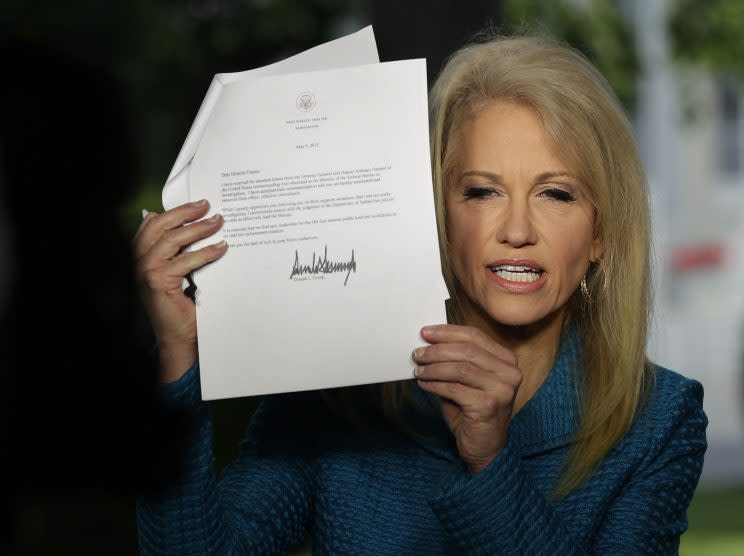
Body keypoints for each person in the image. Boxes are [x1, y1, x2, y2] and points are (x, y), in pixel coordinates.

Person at [134, 33, 708, 554]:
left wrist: (490, 464)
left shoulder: (660, 421)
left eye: (555, 194)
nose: (517, 230)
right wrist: (174, 364)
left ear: (600, 234)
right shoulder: (336, 388)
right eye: (482, 191)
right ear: (434, 211)